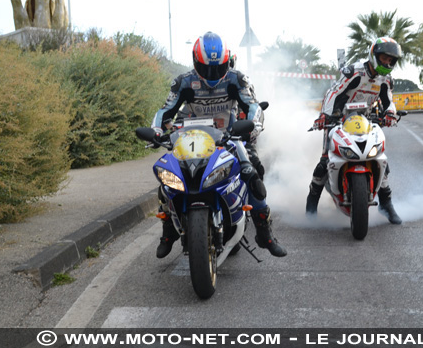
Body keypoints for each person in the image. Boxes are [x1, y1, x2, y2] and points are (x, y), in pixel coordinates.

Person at [151, 31, 287, 258]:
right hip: (191, 139)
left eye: (218, 67)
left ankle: (265, 235)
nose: (212, 74)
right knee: (169, 178)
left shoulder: (237, 79)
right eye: (206, 68)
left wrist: (253, 126)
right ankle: (168, 233)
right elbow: (165, 110)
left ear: (226, 61)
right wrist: (157, 130)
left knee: (253, 173)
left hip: (231, 138)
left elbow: (253, 106)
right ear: (196, 62)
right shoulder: (183, 82)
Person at [305, 37, 402, 225]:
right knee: (324, 162)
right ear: (373, 55)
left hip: (365, 120)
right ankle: (311, 204)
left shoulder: (386, 79)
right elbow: (333, 92)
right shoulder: (354, 71)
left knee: (380, 157)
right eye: (384, 58)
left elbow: (388, 100)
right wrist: (326, 115)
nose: (387, 63)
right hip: (338, 118)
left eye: (390, 60)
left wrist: (390, 114)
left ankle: (387, 204)